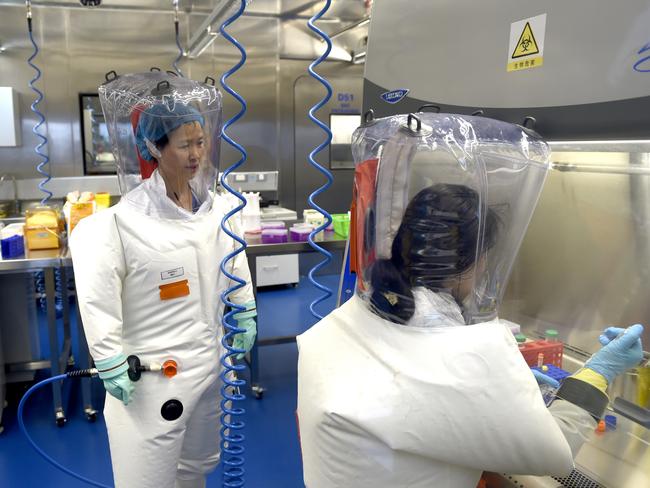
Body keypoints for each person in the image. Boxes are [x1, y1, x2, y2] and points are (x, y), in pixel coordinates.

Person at [296, 113, 644, 488]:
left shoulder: (354, 317)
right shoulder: (464, 350)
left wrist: (499, 387)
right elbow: (554, 452)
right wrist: (599, 372)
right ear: (474, 261)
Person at [69, 72, 256, 488]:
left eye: (200, 142)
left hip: (209, 369)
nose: (196, 154)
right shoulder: (117, 225)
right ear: (154, 148)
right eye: (184, 144)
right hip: (151, 380)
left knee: (196, 468)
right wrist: (109, 359)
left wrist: (245, 308)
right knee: (148, 478)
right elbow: (97, 300)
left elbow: (233, 262)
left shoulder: (219, 211)